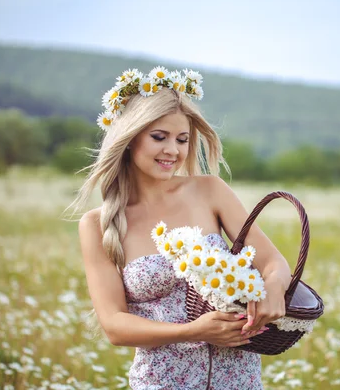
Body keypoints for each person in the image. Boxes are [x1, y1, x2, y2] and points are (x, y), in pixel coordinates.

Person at [69, 67, 292, 389]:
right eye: (159, 137)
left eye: (182, 139)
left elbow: (273, 262)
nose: (172, 151)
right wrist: (193, 331)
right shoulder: (97, 224)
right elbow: (115, 326)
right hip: (160, 380)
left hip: (239, 378)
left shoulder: (210, 191)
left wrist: (273, 289)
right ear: (129, 140)